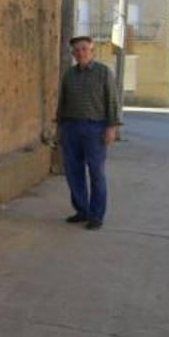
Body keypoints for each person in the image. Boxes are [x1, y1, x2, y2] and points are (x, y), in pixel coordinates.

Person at [56, 36, 121, 230]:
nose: (80, 53)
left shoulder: (103, 73)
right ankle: (81, 210)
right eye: (76, 51)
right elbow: (63, 103)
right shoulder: (69, 75)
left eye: (84, 49)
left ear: (92, 51)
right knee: (73, 172)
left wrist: (112, 128)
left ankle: (96, 215)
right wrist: (59, 127)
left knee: (96, 173)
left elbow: (112, 101)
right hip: (71, 128)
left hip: (95, 129)